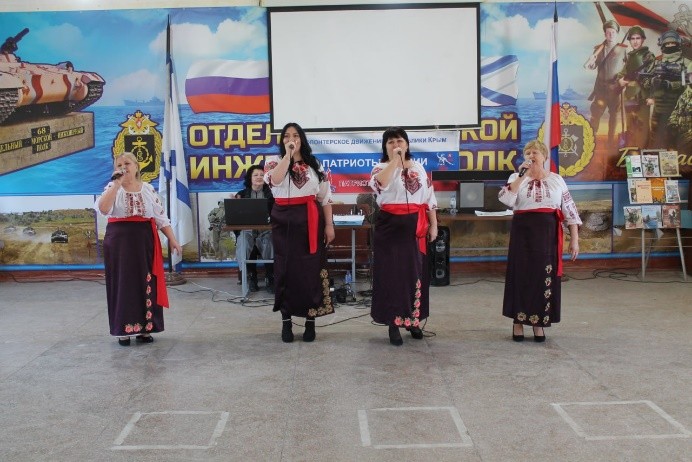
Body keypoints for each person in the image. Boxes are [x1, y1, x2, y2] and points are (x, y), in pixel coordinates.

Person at [94, 152, 182, 346]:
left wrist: (173, 240)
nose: (123, 167)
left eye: (127, 163)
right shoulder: (112, 188)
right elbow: (103, 209)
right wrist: (116, 185)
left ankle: (145, 328)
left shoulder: (148, 189)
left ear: (136, 166)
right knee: (122, 283)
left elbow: (160, 218)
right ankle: (123, 330)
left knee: (145, 281)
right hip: (119, 243)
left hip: (144, 241)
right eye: (119, 165)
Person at [498, 140, 581, 342]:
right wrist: (521, 176)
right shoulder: (516, 178)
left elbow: (570, 211)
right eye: (528, 153)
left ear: (544, 157)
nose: (531, 156)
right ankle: (518, 322)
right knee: (521, 276)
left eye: (535, 152)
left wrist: (575, 240)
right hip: (523, 235)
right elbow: (505, 200)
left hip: (547, 235)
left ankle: (539, 323)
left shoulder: (556, 180)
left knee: (543, 277)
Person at [264, 122, 335, 343]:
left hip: (310, 220)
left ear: (302, 139)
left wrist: (329, 225)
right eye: (286, 136)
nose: (291, 139)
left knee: (310, 270)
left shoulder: (315, 165)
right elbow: (275, 180)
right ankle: (286, 321)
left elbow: (325, 197)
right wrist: (288, 156)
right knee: (285, 270)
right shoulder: (273, 161)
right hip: (283, 220)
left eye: (295, 135)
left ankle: (310, 321)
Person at [369, 127, 438, 346]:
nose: (396, 145)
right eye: (391, 142)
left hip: (416, 227)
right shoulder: (380, 168)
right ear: (385, 147)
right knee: (392, 276)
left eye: (400, 141)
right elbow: (381, 183)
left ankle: (413, 320)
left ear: (407, 144)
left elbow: (429, 198)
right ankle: (394, 323)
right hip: (389, 227)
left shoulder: (419, 167)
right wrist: (395, 162)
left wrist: (434, 225)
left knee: (415, 273)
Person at [641, 30, 692, 149]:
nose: (670, 46)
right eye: (667, 44)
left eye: (672, 43)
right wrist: (653, 81)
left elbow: (689, 85)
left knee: (675, 141)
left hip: (677, 109)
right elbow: (646, 83)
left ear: (678, 44)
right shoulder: (656, 63)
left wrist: (670, 85)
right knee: (655, 140)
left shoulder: (687, 63)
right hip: (658, 108)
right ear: (662, 45)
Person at [585, 20, 628, 146]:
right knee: (595, 115)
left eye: (613, 32)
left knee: (614, 116)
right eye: (608, 32)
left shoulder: (623, 49)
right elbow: (592, 66)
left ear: (617, 33)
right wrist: (591, 62)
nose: (611, 34)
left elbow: (629, 68)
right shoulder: (598, 49)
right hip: (601, 90)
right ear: (605, 34)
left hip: (615, 89)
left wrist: (624, 80)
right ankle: (591, 141)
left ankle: (610, 142)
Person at [234, 164, 275, 293]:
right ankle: (252, 277)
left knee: (270, 241)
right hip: (248, 231)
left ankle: (270, 276)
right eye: (255, 175)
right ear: (250, 178)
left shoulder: (272, 194)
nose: (259, 177)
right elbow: (235, 216)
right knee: (245, 241)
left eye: (262, 175)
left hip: (266, 231)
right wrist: (234, 204)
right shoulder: (241, 195)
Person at [616, 25, 656, 148]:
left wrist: (652, 97)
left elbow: (653, 78)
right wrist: (620, 80)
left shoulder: (648, 56)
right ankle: (633, 155)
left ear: (642, 39)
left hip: (642, 97)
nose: (635, 41)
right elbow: (622, 73)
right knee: (630, 128)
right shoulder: (630, 57)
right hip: (629, 96)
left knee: (642, 129)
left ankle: (643, 154)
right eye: (632, 38)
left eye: (638, 38)